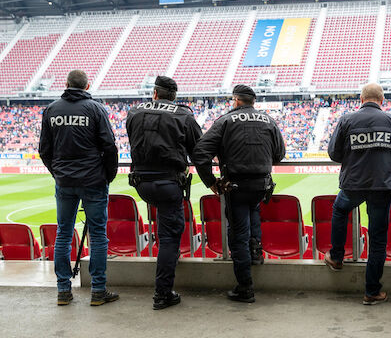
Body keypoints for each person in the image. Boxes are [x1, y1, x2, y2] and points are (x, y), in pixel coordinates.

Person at [193, 84, 285, 303]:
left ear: (236, 101)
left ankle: (245, 288)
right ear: (252, 102)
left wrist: (211, 182)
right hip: (261, 186)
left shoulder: (224, 121)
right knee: (253, 212)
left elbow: (200, 153)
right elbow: (279, 154)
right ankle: (256, 254)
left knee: (238, 236)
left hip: (236, 186)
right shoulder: (269, 121)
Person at [325, 83, 391, 305]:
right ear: (381, 101)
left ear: (361, 99)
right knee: (378, 239)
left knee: (339, 209)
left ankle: (336, 257)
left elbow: (334, 154)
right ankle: (372, 291)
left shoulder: (347, 119)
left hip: (354, 184)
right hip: (382, 186)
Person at [38, 70, 119, 306]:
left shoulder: (52, 110)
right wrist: (108, 175)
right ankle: (98, 291)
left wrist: (58, 174)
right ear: (87, 86)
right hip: (93, 181)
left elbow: (45, 150)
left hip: (65, 183)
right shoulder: (95, 109)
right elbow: (110, 146)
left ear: (66, 84)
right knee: (98, 235)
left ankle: (63, 290)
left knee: (63, 234)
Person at [126, 76, 202, 310]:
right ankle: (163, 293)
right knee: (170, 237)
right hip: (168, 183)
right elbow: (199, 151)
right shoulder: (184, 115)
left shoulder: (134, 112)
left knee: (163, 227)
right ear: (174, 96)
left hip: (141, 184)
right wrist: (211, 182)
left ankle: (166, 262)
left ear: (155, 93)